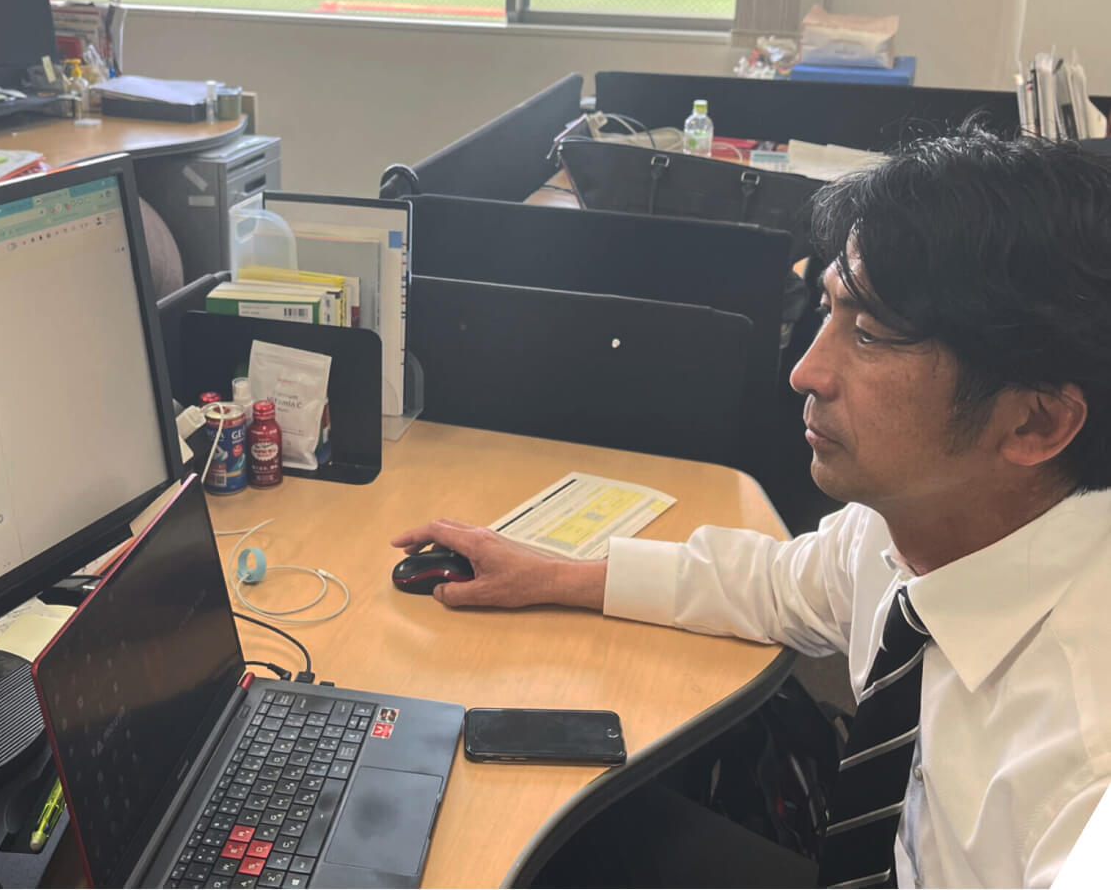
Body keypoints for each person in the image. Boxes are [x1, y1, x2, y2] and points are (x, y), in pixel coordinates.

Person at [393, 128, 1111, 888]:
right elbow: (776, 583)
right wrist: (553, 575)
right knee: (562, 836)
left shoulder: (1083, 759)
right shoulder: (919, 522)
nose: (807, 370)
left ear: (1034, 422)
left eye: (868, 334)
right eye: (828, 309)